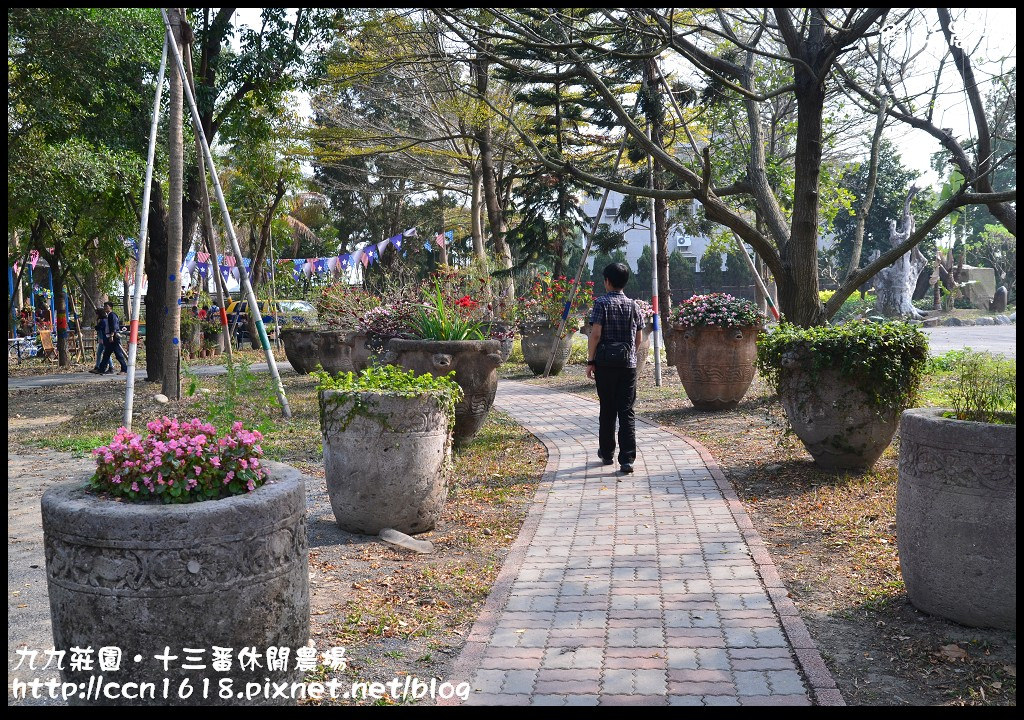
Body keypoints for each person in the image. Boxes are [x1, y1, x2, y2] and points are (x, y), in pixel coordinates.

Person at [586, 262, 643, 474]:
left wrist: (591, 361)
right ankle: (627, 459)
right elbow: (638, 337)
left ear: (607, 281)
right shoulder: (634, 306)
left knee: (607, 409)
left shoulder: (600, 303)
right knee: (626, 410)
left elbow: (596, 334)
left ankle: (607, 453)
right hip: (627, 365)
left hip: (605, 365)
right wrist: (630, 356)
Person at [97, 301, 128, 374]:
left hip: (113, 337)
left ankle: (124, 369)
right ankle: (101, 369)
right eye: (104, 306)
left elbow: (114, 326)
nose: (105, 308)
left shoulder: (112, 315)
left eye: (106, 306)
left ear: (110, 307)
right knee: (106, 354)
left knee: (118, 354)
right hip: (109, 337)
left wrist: (111, 335)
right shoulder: (108, 316)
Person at [88, 308, 113, 374]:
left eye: (96, 314)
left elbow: (100, 329)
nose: (96, 315)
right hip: (101, 339)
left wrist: (96, 327)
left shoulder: (103, 321)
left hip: (104, 339)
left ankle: (111, 367)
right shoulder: (101, 320)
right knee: (99, 353)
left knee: (106, 354)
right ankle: (97, 366)